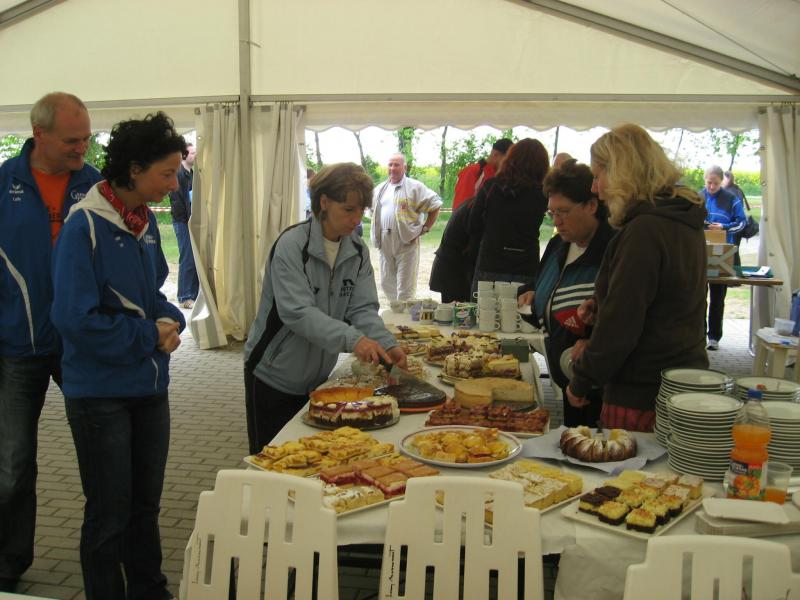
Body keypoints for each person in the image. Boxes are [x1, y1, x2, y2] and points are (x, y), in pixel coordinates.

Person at [50, 112, 186, 600]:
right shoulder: (84, 226)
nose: (174, 184)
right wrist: (148, 335)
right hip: (100, 395)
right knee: (109, 513)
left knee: (145, 507)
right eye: (166, 173)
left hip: (148, 388)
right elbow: (74, 319)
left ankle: (150, 591)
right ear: (134, 170)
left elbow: (153, 296)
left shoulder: (143, 222)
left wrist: (172, 320)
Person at [0, 92, 101, 592]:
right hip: (17, 346)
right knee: (12, 465)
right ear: (39, 134)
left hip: (81, 345)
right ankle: (7, 562)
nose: (82, 148)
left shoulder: (96, 185)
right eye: (71, 140)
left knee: (102, 458)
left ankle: (107, 562)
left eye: (86, 138)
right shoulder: (4, 184)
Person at [245, 163, 407, 453]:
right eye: (348, 209)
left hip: (319, 379)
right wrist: (354, 339)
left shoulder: (356, 250)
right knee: (270, 460)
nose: (356, 219)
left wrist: (386, 344)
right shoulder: (292, 246)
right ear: (324, 202)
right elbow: (298, 312)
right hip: (273, 375)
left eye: (361, 210)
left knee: (312, 457)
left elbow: (362, 308)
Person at [566, 124, 708, 432]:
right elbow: (667, 298)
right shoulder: (682, 221)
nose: (595, 188)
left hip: (641, 391)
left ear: (621, 173)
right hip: (683, 380)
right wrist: (600, 302)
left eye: (598, 176)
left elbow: (621, 324)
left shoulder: (644, 231)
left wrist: (582, 379)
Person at [517, 159, 615, 427]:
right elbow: (540, 283)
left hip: (598, 384)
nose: (557, 221)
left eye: (563, 212)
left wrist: (593, 340)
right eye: (551, 213)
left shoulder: (612, 249)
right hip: (567, 376)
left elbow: (623, 313)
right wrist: (529, 293)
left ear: (591, 205)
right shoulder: (558, 244)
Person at [468, 138, 549, 290]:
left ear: (510, 159)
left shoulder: (491, 186)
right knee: (522, 305)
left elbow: (473, 224)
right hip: (526, 265)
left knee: (483, 305)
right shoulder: (543, 193)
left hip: (491, 263)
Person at [371, 153, 442, 301]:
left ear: (404, 167)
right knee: (386, 283)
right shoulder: (380, 189)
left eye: (396, 165)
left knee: (405, 287)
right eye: (390, 165)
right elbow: (372, 212)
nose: (392, 168)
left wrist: (425, 228)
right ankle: (394, 312)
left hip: (406, 242)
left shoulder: (414, 187)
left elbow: (435, 205)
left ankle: (405, 314)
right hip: (384, 242)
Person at [702, 164, 745, 351]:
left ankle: (714, 337)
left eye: (716, 183)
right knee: (698, 299)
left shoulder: (731, 199)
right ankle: (698, 335)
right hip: (701, 254)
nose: (712, 187)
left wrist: (724, 227)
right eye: (709, 183)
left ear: (722, 182)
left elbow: (742, 222)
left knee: (718, 298)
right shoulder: (698, 197)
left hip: (722, 256)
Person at [429, 196, 480, 303]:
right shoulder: (475, 208)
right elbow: (474, 248)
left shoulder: (471, 204)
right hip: (454, 271)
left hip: (452, 268)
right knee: (457, 310)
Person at [168, 142, 199, 308]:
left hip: (192, 220)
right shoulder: (179, 174)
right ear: (185, 155)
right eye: (192, 153)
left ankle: (193, 295)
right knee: (187, 257)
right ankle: (184, 296)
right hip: (182, 221)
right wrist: (188, 219)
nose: (195, 155)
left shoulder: (192, 174)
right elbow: (177, 201)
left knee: (195, 258)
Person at [451, 138, 513, 211]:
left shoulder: (499, 175)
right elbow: (460, 207)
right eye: (507, 159)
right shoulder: (473, 170)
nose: (510, 163)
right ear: (495, 154)